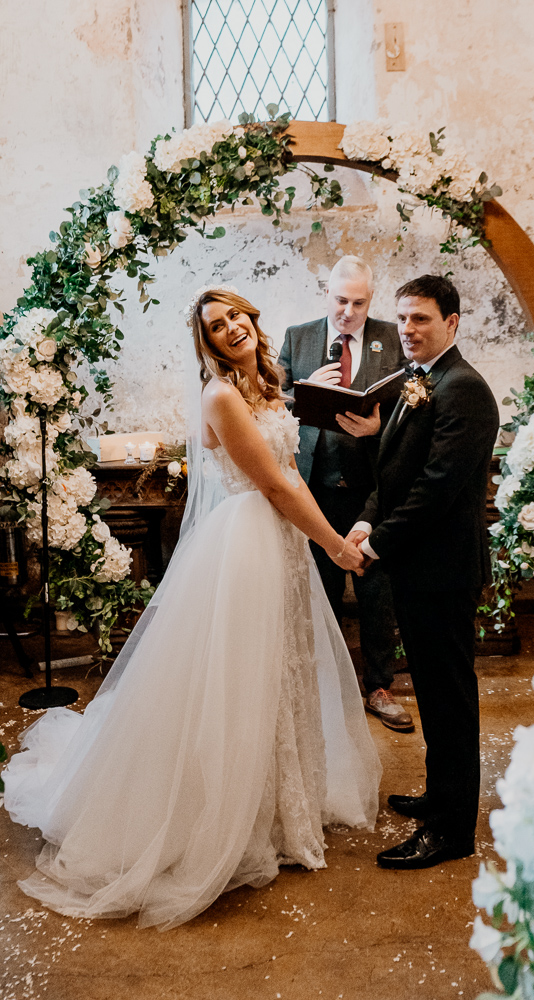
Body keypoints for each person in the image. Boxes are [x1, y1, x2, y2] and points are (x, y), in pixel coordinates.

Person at [3, 286, 381, 929]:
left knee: (282, 670)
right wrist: (335, 549)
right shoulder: (221, 396)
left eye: (236, 316)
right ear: (205, 343)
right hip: (248, 543)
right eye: (215, 325)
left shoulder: (265, 383)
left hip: (281, 541)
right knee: (240, 682)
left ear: (253, 321)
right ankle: (222, 819)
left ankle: (281, 809)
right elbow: (275, 482)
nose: (231, 328)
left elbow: (290, 466)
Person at [349, 274, 499, 870]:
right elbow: (397, 474)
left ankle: (451, 830)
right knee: (436, 695)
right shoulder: (419, 381)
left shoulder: (463, 389)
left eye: (422, 320)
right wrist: (366, 519)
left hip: (442, 571)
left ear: (452, 324)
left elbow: (437, 487)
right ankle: (442, 795)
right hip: (417, 570)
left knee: (449, 700)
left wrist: (376, 544)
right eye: (404, 319)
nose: (408, 330)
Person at [279, 256, 413, 733]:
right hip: (316, 489)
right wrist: (302, 392)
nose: (348, 312)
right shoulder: (299, 337)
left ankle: (380, 687)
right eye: (341, 300)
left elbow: (413, 408)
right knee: (321, 589)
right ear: (327, 294)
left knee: (378, 594)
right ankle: (328, 687)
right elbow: (267, 404)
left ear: (370, 301)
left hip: (374, 489)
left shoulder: (393, 337)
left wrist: (381, 427)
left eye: (358, 302)